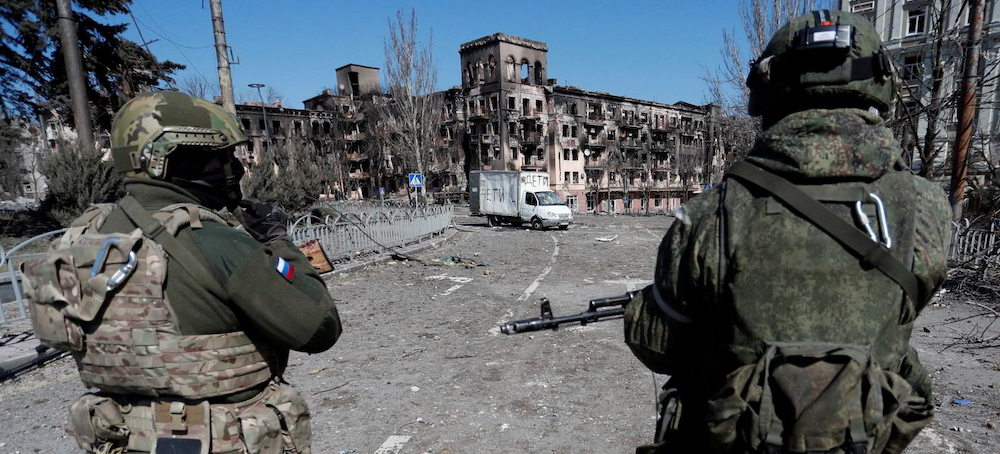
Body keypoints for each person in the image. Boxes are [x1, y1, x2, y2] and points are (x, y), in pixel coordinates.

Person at [623, 10, 950, 454]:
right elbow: (898, 315)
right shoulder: (926, 206)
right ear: (881, 84)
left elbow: (659, 348)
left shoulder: (708, 214)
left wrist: (645, 309)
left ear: (766, 86)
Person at [21, 91, 341, 453]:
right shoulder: (216, 242)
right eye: (221, 157)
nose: (235, 168)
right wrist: (278, 241)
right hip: (223, 440)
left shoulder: (78, 239)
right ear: (172, 159)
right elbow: (319, 328)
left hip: (124, 440)